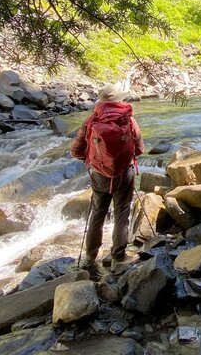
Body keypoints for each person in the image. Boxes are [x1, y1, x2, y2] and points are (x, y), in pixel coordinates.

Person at [70, 85, 144, 271]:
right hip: (123, 174)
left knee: (97, 213)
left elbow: (75, 151)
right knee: (121, 213)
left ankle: (90, 256)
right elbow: (140, 149)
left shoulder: (90, 122)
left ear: (101, 102)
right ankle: (118, 255)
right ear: (118, 101)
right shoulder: (128, 120)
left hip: (99, 175)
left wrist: (93, 160)